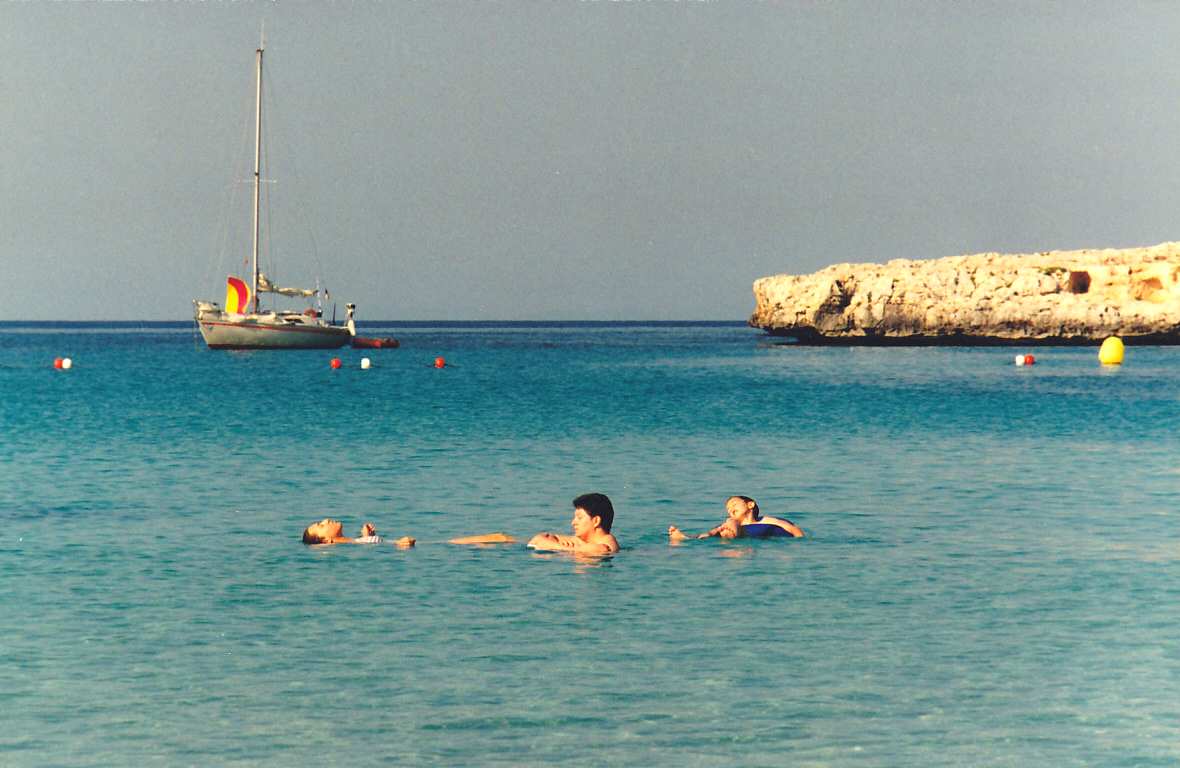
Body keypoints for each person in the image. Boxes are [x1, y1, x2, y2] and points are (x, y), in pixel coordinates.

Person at [668, 496, 803, 541]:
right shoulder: (731, 522)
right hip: (737, 533)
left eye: (734, 504)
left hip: (747, 535)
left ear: (750, 504)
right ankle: (686, 538)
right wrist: (707, 535)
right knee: (724, 526)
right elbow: (712, 532)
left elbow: (792, 528)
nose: (731, 509)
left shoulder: (766, 521)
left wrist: (800, 539)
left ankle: (731, 535)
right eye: (728, 509)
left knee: (728, 524)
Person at [527, 493, 620, 556]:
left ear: (596, 521)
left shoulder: (607, 543)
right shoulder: (584, 541)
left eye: (579, 518)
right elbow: (539, 538)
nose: (573, 522)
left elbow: (601, 550)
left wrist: (555, 547)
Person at [301, 518, 415, 548]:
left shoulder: (355, 542)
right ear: (326, 541)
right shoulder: (352, 545)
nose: (326, 520)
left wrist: (367, 537)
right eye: (321, 525)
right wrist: (399, 544)